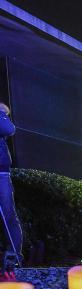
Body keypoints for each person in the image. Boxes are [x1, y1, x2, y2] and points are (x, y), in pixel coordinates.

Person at [0, 102, 23, 263]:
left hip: (1, 172)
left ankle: (14, 257)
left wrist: (0, 112)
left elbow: (9, 129)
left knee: (7, 213)